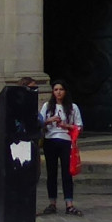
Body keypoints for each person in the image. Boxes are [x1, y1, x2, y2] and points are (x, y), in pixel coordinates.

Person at [39, 80, 82, 214]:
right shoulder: (47, 106)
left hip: (66, 141)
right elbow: (39, 123)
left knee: (66, 173)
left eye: (61, 89)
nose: (58, 92)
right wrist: (50, 120)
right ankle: (52, 203)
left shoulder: (73, 107)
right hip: (50, 140)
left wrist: (66, 126)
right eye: (56, 89)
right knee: (51, 173)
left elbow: (79, 126)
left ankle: (69, 204)